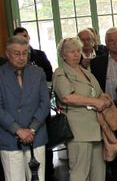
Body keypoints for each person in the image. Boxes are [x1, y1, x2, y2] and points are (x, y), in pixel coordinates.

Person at [53, 37, 112, 181]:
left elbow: (97, 92)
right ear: (63, 54)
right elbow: (67, 97)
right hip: (78, 130)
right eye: (71, 51)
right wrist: (95, 101)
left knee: (98, 173)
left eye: (78, 51)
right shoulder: (61, 73)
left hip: (95, 127)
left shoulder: (86, 71)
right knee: (80, 173)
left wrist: (104, 98)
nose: (76, 54)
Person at [0, 35, 50, 181]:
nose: (22, 57)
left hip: (36, 135)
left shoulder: (38, 72)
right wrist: (18, 130)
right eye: (17, 53)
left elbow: (45, 104)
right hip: (9, 137)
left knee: (38, 178)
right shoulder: (1, 74)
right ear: (7, 54)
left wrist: (32, 129)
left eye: (25, 53)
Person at [90, 28, 117, 181]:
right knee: (115, 145)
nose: (115, 43)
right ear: (106, 43)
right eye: (111, 40)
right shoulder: (97, 63)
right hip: (111, 110)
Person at [12, 27, 57, 181]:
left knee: (43, 160)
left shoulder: (39, 55)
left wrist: (32, 127)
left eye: (24, 36)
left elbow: (49, 78)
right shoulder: (5, 70)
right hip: (15, 128)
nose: (21, 56)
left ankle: (50, 171)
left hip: (39, 114)